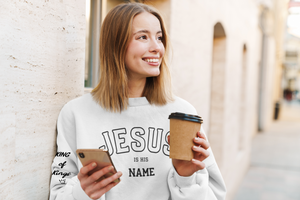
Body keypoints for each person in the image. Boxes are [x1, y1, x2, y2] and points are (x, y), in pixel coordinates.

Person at [49, 2, 226, 200]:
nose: (157, 47)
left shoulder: (182, 114)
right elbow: (59, 193)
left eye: (159, 38)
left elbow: (216, 195)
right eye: (143, 37)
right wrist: (82, 193)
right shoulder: (76, 113)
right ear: (116, 44)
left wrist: (185, 178)